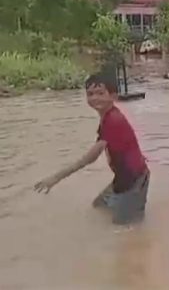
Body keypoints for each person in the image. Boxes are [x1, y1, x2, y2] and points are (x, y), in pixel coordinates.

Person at [34, 74, 150, 225]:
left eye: (101, 93)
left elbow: (90, 158)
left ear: (113, 96)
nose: (95, 98)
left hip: (133, 181)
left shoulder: (113, 120)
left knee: (125, 229)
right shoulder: (107, 117)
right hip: (124, 177)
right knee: (98, 207)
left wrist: (56, 178)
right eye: (90, 94)